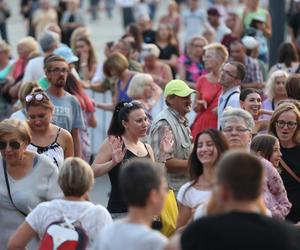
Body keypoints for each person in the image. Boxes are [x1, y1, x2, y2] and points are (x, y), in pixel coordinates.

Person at [166, 151, 300, 250]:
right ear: (261, 189)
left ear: (221, 190)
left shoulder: (200, 230)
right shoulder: (286, 235)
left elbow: (171, 246)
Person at [8, 157, 112, 249]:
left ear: (60, 181)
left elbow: (14, 245)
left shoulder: (44, 209)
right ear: (89, 182)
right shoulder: (98, 214)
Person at [0, 119, 62, 248]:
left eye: (14, 145)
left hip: (34, 245)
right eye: (1, 144)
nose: (7, 150)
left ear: (26, 142)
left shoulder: (45, 167)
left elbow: (58, 210)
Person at [221, 107, 291, 219]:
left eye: (240, 129)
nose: (234, 133)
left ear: (249, 135)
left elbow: (283, 201)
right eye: (228, 129)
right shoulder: (216, 165)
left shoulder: (262, 165)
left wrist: (271, 215)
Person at [92, 101, 154, 219]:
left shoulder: (147, 147)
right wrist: (113, 163)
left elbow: (155, 179)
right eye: (139, 121)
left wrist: (164, 157)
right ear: (125, 124)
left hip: (145, 213)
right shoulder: (114, 143)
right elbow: (92, 171)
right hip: (119, 213)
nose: (145, 124)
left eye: (145, 119)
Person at [92, 158, 168, 250]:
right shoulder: (157, 243)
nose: (166, 195)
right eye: (165, 189)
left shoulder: (106, 234)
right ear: (153, 195)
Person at [149, 79, 195, 194]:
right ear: (170, 99)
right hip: (171, 192)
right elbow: (163, 162)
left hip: (180, 188)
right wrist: (197, 163)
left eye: (190, 96)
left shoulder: (179, 119)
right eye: (185, 96)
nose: (190, 100)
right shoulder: (164, 123)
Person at [176, 129, 229, 229]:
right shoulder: (187, 190)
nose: (204, 149)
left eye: (209, 144)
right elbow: (178, 233)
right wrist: (193, 221)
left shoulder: (234, 186)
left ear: (221, 148)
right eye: (200, 146)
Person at [44, 54, 84, 157]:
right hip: (44, 155)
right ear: (47, 73)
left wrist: (78, 161)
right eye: (56, 70)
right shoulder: (41, 99)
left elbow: (75, 135)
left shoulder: (73, 101)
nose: (61, 74)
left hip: (66, 155)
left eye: (64, 70)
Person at [25, 89, 74, 168]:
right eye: (32, 117)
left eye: (41, 116)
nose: (37, 121)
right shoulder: (21, 133)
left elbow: (69, 172)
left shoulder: (64, 136)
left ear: (52, 111)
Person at [269, 103, 300, 223]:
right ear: (274, 124)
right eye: (281, 122)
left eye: (291, 123)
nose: (285, 127)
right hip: (275, 222)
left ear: (297, 126)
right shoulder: (266, 148)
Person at [191, 43, 228, 137]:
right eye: (204, 57)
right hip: (202, 125)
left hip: (221, 125)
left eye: (208, 57)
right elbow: (195, 107)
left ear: (220, 59)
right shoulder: (202, 80)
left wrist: (221, 109)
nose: (204, 59)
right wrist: (199, 104)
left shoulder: (229, 79)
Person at [65, 72, 96, 162]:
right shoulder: (86, 99)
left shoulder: (69, 101)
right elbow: (93, 123)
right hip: (85, 141)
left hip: (73, 142)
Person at [217, 61, 245, 129]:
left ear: (237, 81)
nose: (222, 74)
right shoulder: (224, 95)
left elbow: (234, 126)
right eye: (222, 70)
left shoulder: (235, 99)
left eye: (227, 73)